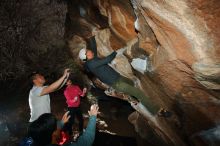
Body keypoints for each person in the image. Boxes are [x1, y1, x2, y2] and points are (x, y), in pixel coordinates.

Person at [80, 36, 161, 116]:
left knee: (132, 83)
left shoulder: (92, 59)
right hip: (117, 84)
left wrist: (92, 38)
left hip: (119, 77)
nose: (89, 50)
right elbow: (107, 60)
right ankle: (156, 111)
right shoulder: (91, 64)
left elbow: (93, 49)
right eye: (87, 51)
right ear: (87, 56)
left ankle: (131, 96)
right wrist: (116, 52)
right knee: (138, 93)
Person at [21, 104, 99, 146]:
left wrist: (61, 123)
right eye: (56, 126)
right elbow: (86, 141)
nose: (58, 126)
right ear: (53, 134)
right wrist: (93, 117)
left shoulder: (34, 137)